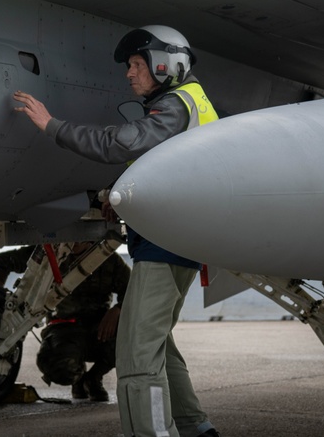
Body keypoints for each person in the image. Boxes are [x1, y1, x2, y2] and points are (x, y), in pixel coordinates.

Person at [12, 25, 220, 437]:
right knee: (158, 344)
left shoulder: (176, 105)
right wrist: (117, 194)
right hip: (177, 240)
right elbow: (166, 167)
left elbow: (121, 143)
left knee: (137, 353)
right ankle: (196, 428)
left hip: (169, 244)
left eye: (137, 64)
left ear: (167, 65)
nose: (129, 73)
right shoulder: (185, 106)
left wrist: (52, 125)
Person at [0, 242, 130, 401]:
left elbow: (133, 289)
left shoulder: (106, 258)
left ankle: (93, 378)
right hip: (64, 330)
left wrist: (117, 310)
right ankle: (78, 378)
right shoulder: (50, 253)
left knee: (132, 335)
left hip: (99, 329)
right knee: (58, 366)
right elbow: (2, 262)